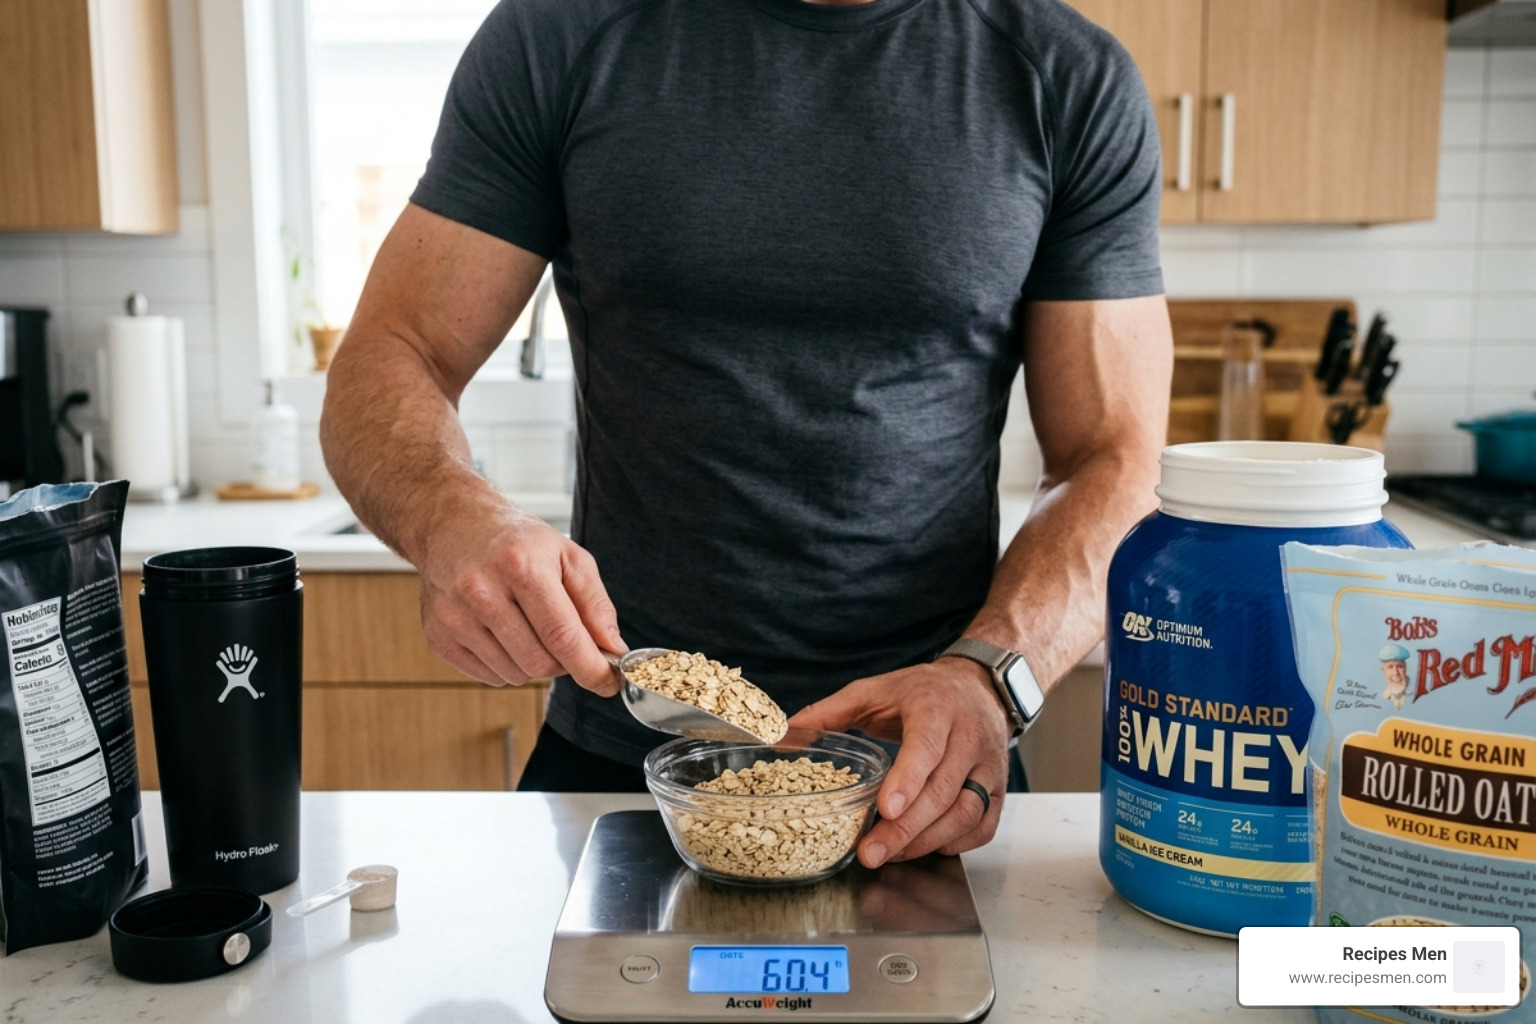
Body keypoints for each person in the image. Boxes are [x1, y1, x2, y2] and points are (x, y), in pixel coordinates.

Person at [320, 0, 1173, 871]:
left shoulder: (1063, 77)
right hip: (627, 762)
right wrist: (451, 520)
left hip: (928, 777)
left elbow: (1115, 459)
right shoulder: (565, 34)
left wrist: (993, 676)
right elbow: (395, 351)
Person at [1379, 643, 1410, 710]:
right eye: (1390, 667)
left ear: (1406, 668)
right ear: (1383, 671)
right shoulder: (1382, 697)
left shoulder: (1415, 692)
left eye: (1400, 667)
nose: (1396, 673)